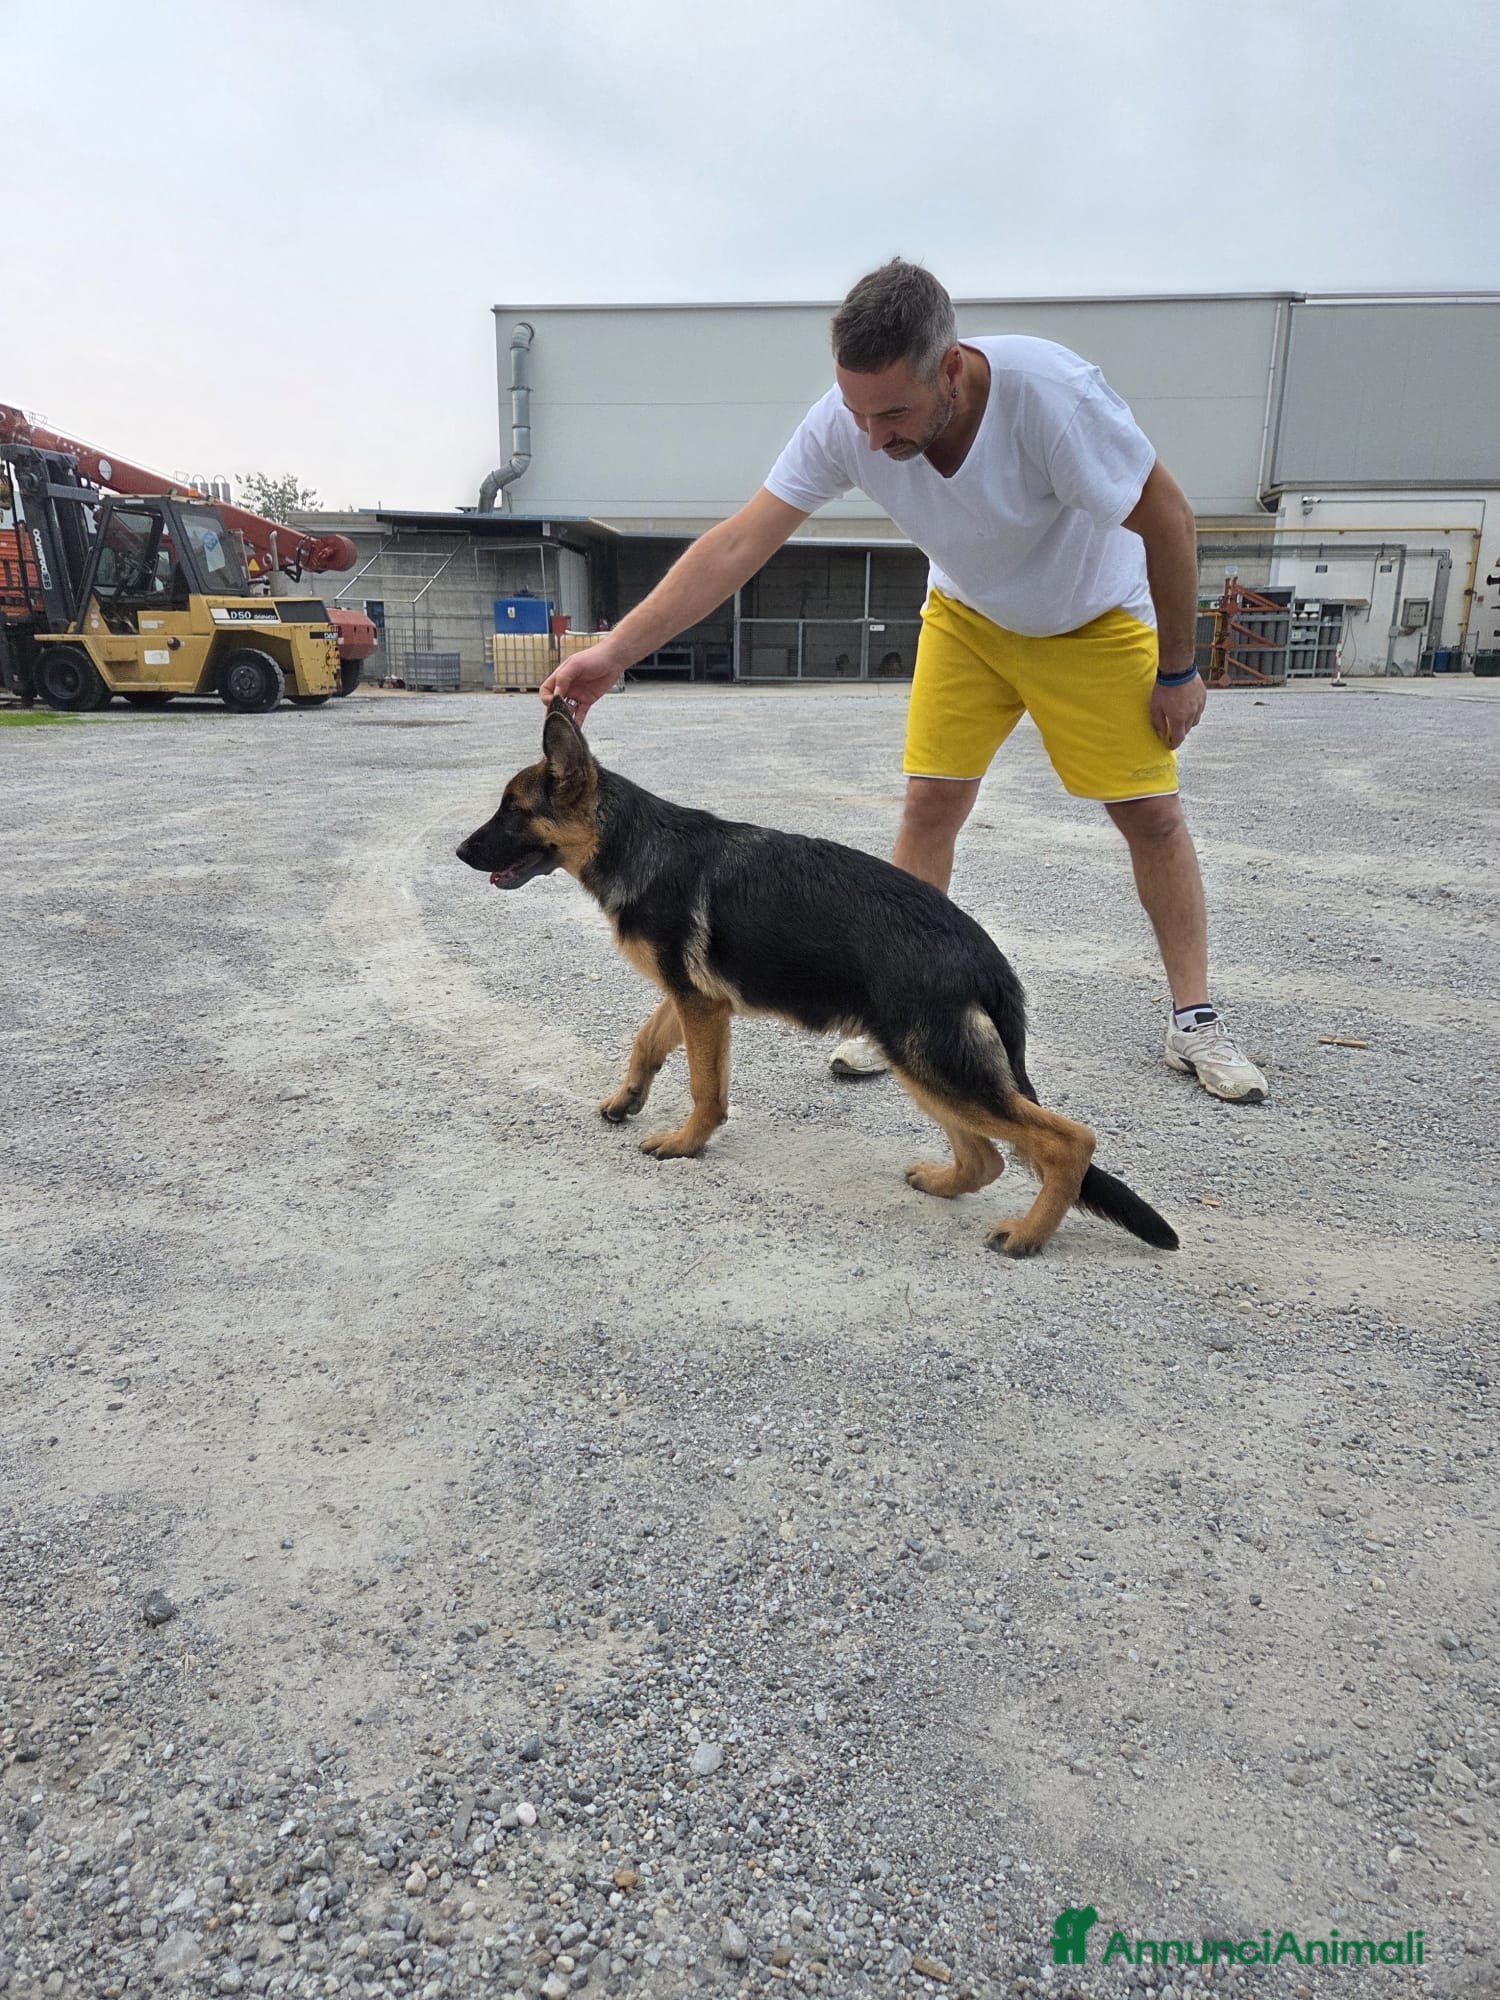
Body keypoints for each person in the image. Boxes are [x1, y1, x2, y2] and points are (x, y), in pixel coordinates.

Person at [541, 261, 1267, 1105]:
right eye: (857, 411)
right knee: (929, 807)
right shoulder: (846, 422)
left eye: (893, 413)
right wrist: (616, 652)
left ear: (950, 367)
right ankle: (895, 1003)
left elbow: (1169, 519)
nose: (873, 436)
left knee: (1151, 816)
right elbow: (741, 544)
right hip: (967, 618)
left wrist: (1180, 667)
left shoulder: (1054, 399)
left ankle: (1195, 1020)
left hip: (1091, 618)